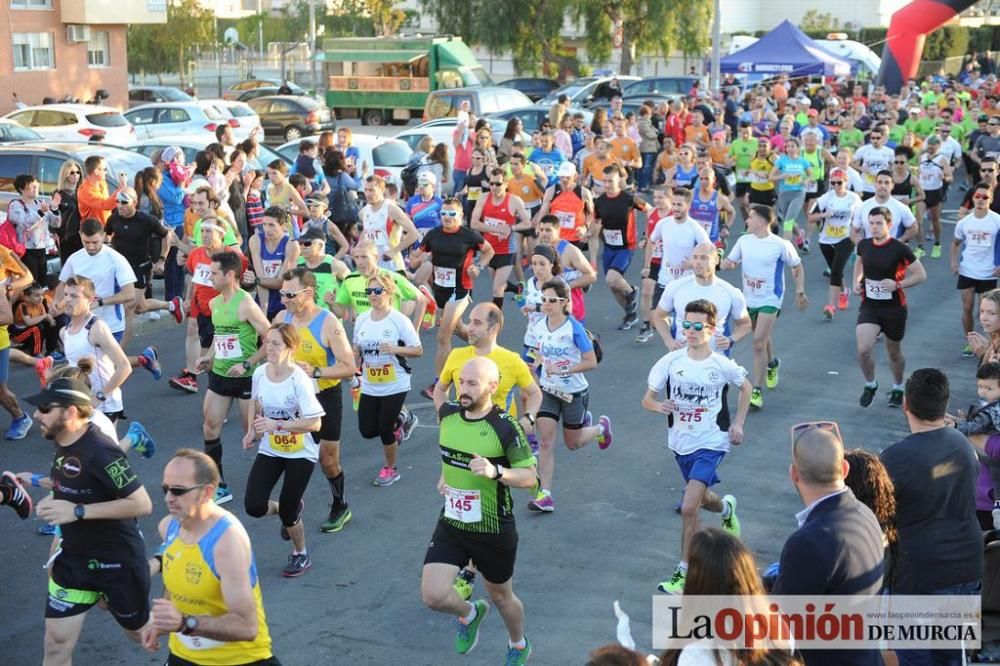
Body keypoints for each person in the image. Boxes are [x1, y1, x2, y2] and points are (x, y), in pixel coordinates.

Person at [24, 377, 153, 665]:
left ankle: (197, 634)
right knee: (55, 644)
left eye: (44, 408)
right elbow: (74, 485)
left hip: (116, 562)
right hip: (74, 561)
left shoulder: (101, 450)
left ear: (70, 411)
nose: (36, 415)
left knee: (143, 634)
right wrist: (51, 496)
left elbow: (142, 503)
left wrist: (77, 511)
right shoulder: (63, 442)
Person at [421, 356, 537, 664]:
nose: (464, 389)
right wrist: (446, 474)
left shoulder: (505, 427)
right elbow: (451, 452)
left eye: (472, 383)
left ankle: (517, 643)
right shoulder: (447, 415)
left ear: (493, 387)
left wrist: (496, 472)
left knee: (500, 596)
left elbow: (530, 478)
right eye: (461, 381)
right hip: (453, 522)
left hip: (493, 527)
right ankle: (470, 613)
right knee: (432, 595)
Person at [643, 299, 751, 594]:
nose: (689, 330)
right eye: (685, 324)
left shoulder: (722, 364)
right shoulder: (670, 362)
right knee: (703, 498)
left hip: (712, 441)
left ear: (711, 329)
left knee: (689, 507)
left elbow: (747, 388)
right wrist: (658, 406)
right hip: (681, 442)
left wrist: (738, 423)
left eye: (696, 326)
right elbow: (647, 399)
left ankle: (683, 574)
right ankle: (726, 507)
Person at [882, 369, 983, 666]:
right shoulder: (963, 445)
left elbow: (878, 513)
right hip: (966, 566)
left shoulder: (896, 458)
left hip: (919, 573)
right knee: (953, 656)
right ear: (944, 403)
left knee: (915, 657)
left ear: (906, 406)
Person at [143, 449, 278, 664]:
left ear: (207, 492)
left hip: (238, 660)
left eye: (178, 490)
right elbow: (177, 573)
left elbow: (247, 626)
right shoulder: (169, 527)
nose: (169, 498)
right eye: (165, 489)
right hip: (183, 655)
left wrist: (185, 624)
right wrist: (161, 620)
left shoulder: (227, 542)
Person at [771, 421, 884, 666]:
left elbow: (779, 625)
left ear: (794, 474)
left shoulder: (807, 542)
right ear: (844, 469)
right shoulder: (866, 515)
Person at [267, 267, 355, 532]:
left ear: (308, 293)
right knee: (293, 457)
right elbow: (268, 348)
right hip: (292, 400)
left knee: (328, 460)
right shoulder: (283, 317)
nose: (284, 299)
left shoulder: (328, 322)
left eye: (290, 294)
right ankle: (292, 510)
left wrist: (316, 371)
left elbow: (349, 366)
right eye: (282, 293)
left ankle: (340, 505)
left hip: (324, 396)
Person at [241, 323, 324, 577]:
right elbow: (255, 402)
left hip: (301, 450)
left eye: (276, 343)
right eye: (267, 342)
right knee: (253, 506)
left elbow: (315, 422)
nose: (270, 348)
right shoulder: (260, 374)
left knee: (289, 513)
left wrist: (278, 424)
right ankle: (287, 507)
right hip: (272, 448)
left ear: (291, 348)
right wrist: (252, 430)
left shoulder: (300, 380)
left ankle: (301, 553)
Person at [194, 250, 272, 505]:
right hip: (220, 374)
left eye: (214, 273)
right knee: (210, 426)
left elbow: (271, 338)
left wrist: (247, 362)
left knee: (252, 432)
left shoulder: (246, 303)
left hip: (246, 376)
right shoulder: (216, 304)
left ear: (230, 275)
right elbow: (220, 336)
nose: (210, 277)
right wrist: (210, 356)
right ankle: (219, 485)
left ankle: (272, 475)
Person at [528, 279, 612, 512]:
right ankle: (545, 494)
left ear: (564, 302)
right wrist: (534, 365)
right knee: (545, 442)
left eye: (552, 300)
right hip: (548, 391)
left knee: (573, 443)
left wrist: (564, 369)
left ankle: (600, 429)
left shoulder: (573, 328)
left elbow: (591, 362)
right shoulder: (539, 325)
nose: (546, 304)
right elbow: (538, 351)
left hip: (573, 393)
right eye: (543, 299)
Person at [721, 205, 807, 409]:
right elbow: (732, 262)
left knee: (757, 343)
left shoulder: (780, 244)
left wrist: (800, 290)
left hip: (771, 298)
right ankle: (773, 363)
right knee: (762, 336)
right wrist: (726, 264)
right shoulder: (744, 241)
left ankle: (756, 391)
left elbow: (797, 266)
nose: (747, 221)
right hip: (749, 299)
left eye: (750, 218)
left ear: (761, 221)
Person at [414, 198, 494, 397]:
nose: (447, 218)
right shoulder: (433, 235)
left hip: (460, 289)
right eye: (444, 214)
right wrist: (422, 258)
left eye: (452, 214)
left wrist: (479, 266)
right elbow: (415, 258)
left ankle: (440, 384)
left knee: (443, 336)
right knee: (458, 329)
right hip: (440, 289)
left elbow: (489, 251)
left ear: (460, 216)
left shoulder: (469, 235)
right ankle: (487, 345)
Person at [352, 272, 423, 487]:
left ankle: (390, 469)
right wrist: (354, 364)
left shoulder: (399, 320)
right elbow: (357, 348)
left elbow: (418, 350)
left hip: (396, 382)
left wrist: (395, 348)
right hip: (370, 383)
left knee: (385, 429)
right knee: (367, 430)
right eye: (369, 291)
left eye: (377, 291)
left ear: (389, 292)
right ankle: (404, 417)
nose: (372, 295)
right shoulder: (362, 319)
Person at [853, 206, 927, 408]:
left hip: (894, 307)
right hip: (870, 305)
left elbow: (921, 274)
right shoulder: (864, 245)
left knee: (893, 351)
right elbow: (859, 262)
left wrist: (898, 284)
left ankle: (898, 386)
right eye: (871, 223)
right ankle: (870, 384)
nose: (874, 227)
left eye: (879, 223)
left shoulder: (899, 248)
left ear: (889, 225)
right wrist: (856, 281)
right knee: (863, 349)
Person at [104, 187, 182, 349]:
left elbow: (166, 236)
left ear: (135, 203)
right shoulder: (114, 217)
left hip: (141, 268)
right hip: (122, 269)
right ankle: (171, 305)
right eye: (118, 202)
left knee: (128, 309)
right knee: (141, 307)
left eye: (124, 202)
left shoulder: (146, 220)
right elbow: (107, 235)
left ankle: (119, 351)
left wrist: (162, 259)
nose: (120, 206)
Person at [652, 242, 751, 355]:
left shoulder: (731, 293)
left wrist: (731, 339)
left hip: (716, 361)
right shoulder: (675, 287)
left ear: (716, 260)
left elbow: (745, 324)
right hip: (682, 358)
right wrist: (668, 340)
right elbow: (659, 315)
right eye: (695, 257)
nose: (698, 262)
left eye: (704, 258)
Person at [593, 165, 649, 330]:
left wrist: (647, 233)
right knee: (613, 286)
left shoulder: (629, 198)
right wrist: (588, 232)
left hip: (626, 247)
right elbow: (596, 223)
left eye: (610, 181)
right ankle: (629, 314)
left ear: (618, 180)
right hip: (609, 247)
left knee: (612, 279)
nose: (607, 184)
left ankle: (632, 291)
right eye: (604, 181)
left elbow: (650, 211)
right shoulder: (600, 201)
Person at [469, 168, 532, 310]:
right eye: (491, 183)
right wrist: (497, 229)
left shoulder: (514, 200)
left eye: (498, 184)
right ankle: (517, 289)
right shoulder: (483, 198)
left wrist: (511, 228)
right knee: (499, 285)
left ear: (506, 184)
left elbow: (527, 223)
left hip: (506, 250)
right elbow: (474, 223)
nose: (494, 187)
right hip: (489, 250)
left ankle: (495, 320)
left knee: (497, 289)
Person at [952, 183, 1000, 357]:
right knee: (967, 308)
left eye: (985, 197)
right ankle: (970, 341)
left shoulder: (997, 220)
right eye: (977, 196)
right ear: (972, 198)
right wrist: (954, 262)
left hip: (988, 273)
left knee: (986, 311)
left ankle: (990, 344)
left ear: (991, 199)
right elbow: (955, 243)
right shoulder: (965, 222)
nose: (980, 200)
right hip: (967, 270)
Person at [808, 168, 862, 319]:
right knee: (834, 269)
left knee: (836, 270)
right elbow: (810, 217)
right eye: (833, 183)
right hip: (826, 239)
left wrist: (860, 235)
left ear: (846, 182)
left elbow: (862, 217)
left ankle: (831, 306)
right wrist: (824, 214)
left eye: (840, 183)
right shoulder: (826, 198)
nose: (836, 186)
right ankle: (844, 291)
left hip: (846, 238)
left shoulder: (854, 198)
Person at [536, 216, 597, 323]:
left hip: (571, 312)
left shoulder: (569, 250)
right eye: (541, 230)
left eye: (548, 230)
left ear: (558, 230)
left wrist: (567, 287)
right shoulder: (539, 251)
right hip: (548, 312)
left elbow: (591, 276)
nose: (544, 233)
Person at [247, 206, 301, 320]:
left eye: (271, 225)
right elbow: (261, 279)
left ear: (283, 226)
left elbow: (280, 283)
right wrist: (263, 312)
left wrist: (256, 280)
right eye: (264, 224)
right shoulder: (255, 240)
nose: (266, 229)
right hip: (263, 298)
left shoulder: (291, 245)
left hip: (284, 301)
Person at [8, 174, 59, 284]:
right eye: (32, 186)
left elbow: (56, 223)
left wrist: (55, 209)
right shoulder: (16, 205)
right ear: (22, 188)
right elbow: (25, 224)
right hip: (26, 250)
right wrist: (40, 213)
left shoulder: (40, 203)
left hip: (42, 249)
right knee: (31, 283)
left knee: (42, 283)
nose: (36, 188)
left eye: (37, 185)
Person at [77, 155, 126, 226]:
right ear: (96, 171)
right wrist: (121, 188)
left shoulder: (102, 182)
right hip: (93, 231)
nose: (106, 172)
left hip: (106, 226)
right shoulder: (85, 191)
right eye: (105, 169)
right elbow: (105, 205)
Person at [54, 160, 83, 263]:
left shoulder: (82, 192)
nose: (76, 175)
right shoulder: (59, 194)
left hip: (82, 237)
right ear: (65, 174)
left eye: (77, 172)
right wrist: (55, 233)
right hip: (66, 238)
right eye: (72, 172)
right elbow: (53, 217)